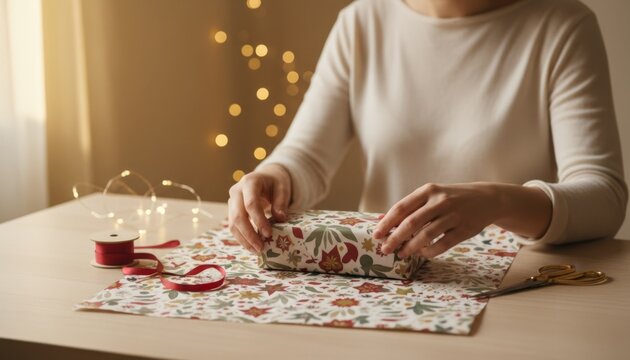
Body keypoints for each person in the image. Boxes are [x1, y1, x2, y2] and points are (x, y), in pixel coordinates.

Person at [227, 0, 627, 259]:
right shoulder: (362, 22)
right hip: (380, 280)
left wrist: (497, 201)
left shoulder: (563, 25)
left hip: (513, 288)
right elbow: (306, 158)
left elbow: (603, 196)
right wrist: (272, 176)